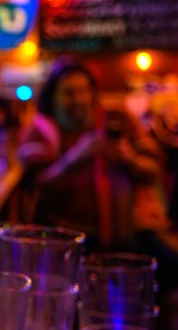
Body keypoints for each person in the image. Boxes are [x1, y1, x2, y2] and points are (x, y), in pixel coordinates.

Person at [17, 59, 165, 251]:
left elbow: (153, 171)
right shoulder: (40, 131)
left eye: (84, 91)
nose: (79, 99)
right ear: (53, 97)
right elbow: (36, 188)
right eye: (69, 93)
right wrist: (75, 157)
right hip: (60, 239)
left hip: (125, 232)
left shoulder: (119, 120)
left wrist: (129, 159)